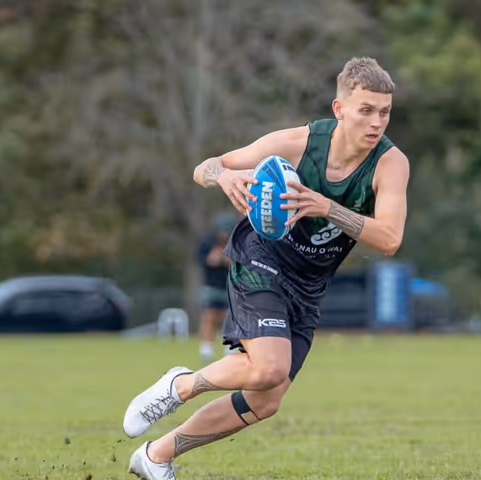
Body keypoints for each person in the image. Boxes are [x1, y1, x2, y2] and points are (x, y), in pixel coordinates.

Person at [123, 57, 410, 479]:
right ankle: (178, 386)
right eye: (366, 110)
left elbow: (389, 239)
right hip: (263, 257)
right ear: (339, 109)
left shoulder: (390, 164)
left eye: (384, 112)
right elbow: (207, 166)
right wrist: (224, 178)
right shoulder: (297, 144)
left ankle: (156, 456)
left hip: (309, 283)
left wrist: (327, 207)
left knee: (266, 399)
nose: (376, 122)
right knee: (269, 368)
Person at [196, 213, 234, 366]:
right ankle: (206, 349)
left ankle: (229, 348)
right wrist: (212, 258)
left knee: (228, 317)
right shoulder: (207, 242)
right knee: (209, 316)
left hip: (230, 286)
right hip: (211, 285)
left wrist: (227, 260)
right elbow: (201, 260)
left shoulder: (235, 242)